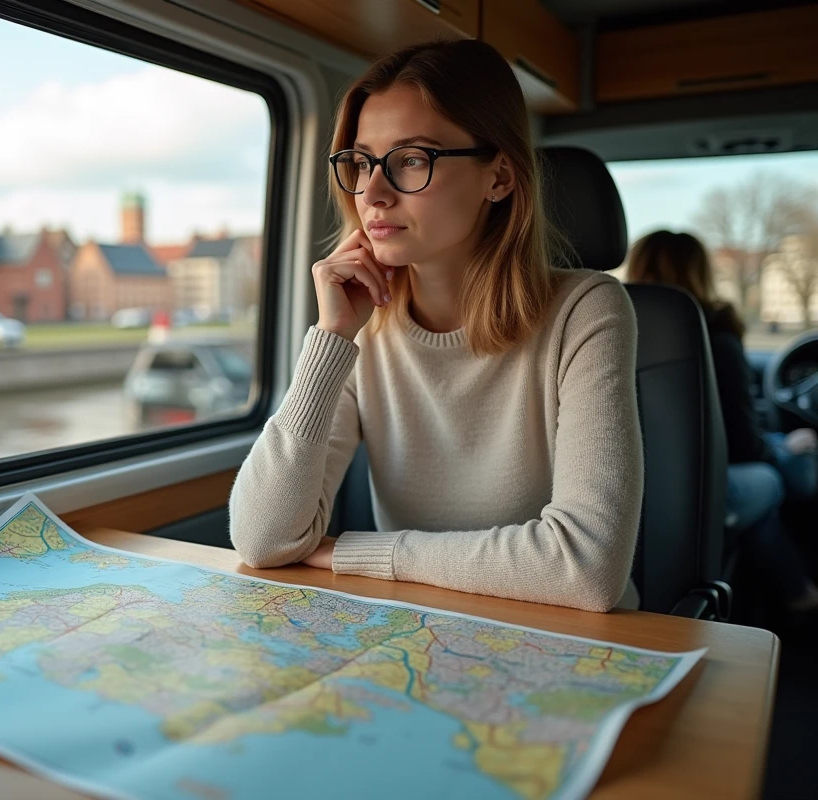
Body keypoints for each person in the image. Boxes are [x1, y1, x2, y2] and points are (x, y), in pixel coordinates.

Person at [228, 40, 643, 613]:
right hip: (425, 628)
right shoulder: (358, 325)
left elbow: (586, 568)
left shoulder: (587, 311)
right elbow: (261, 537)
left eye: (411, 160)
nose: (372, 192)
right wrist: (330, 339)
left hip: (571, 637)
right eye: (360, 162)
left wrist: (362, 554)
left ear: (498, 177)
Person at [626, 230, 818, 617]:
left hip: (629, 489)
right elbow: (746, 447)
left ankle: (795, 593)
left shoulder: (603, 324)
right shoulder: (715, 339)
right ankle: (796, 596)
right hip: (699, 492)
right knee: (774, 481)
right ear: (700, 273)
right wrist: (783, 446)